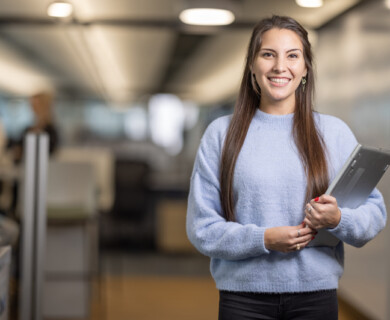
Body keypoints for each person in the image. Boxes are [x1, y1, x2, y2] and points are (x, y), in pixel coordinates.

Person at [186, 15, 387, 320]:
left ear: (305, 68)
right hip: (243, 300)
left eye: (293, 56)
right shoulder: (221, 134)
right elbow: (201, 228)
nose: (281, 66)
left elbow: (374, 215)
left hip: (315, 299)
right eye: (268, 54)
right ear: (252, 65)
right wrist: (264, 239)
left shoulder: (334, 133)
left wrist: (338, 219)